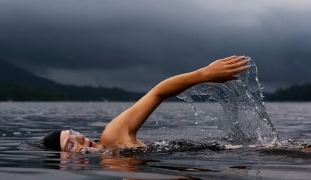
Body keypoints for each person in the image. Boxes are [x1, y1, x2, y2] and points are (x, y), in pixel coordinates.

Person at [43, 55, 250, 153]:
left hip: (230, 152)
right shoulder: (110, 162)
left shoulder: (112, 137)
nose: (79, 137)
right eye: (70, 144)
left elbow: (158, 93)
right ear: (65, 161)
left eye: (73, 132)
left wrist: (204, 74)